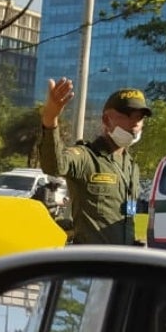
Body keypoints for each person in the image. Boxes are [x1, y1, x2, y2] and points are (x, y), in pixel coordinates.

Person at [37, 80, 151, 245]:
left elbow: (127, 215)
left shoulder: (131, 166)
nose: (134, 124)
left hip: (122, 263)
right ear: (106, 120)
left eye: (139, 117)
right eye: (126, 115)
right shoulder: (86, 157)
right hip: (90, 264)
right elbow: (54, 165)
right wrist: (50, 118)